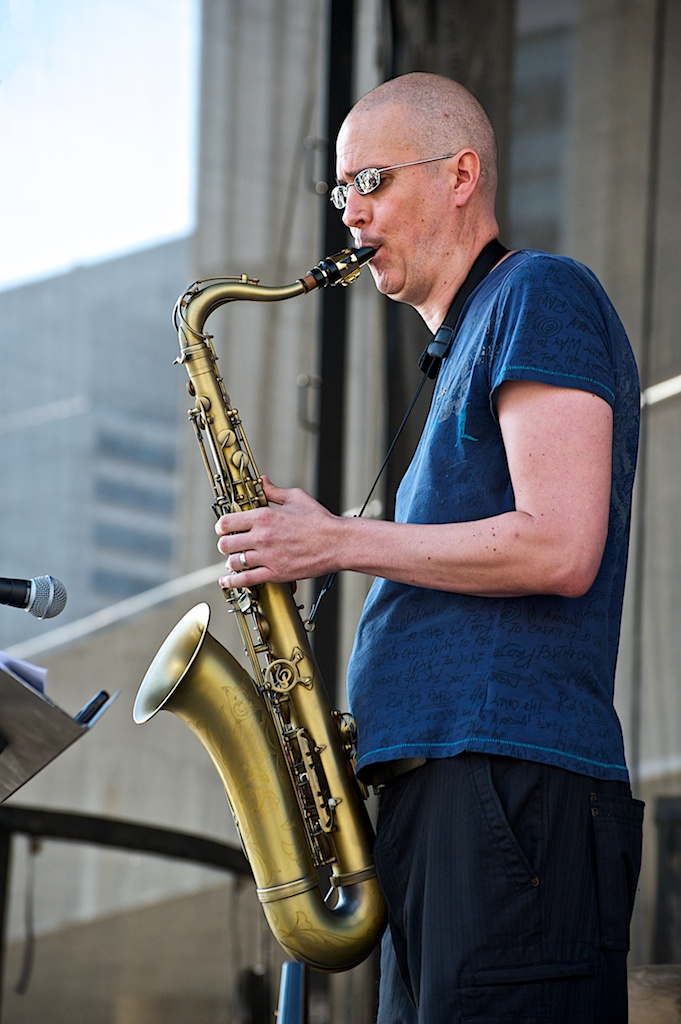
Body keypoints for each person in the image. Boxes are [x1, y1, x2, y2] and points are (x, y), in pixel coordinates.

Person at [215, 72, 644, 1024]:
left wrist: (334, 540)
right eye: (339, 192)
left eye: (370, 183)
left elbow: (560, 545)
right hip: (449, 798)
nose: (350, 214)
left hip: (508, 790)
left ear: (459, 174)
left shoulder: (540, 291)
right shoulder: (459, 347)